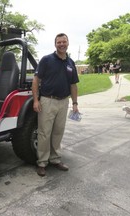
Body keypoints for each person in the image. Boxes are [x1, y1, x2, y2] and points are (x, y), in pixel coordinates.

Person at [32, 33, 79, 177]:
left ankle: (55, 159)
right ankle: (42, 163)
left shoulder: (71, 63)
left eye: (64, 41)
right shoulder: (46, 60)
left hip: (64, 102)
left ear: (68, 43)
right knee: (44, 133)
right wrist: (36, 100)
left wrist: (75, 103)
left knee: (58, 132)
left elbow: (73, 85)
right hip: (47, 101)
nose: (62, 44)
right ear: (55, 44)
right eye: (59, 42)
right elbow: (36, 80)